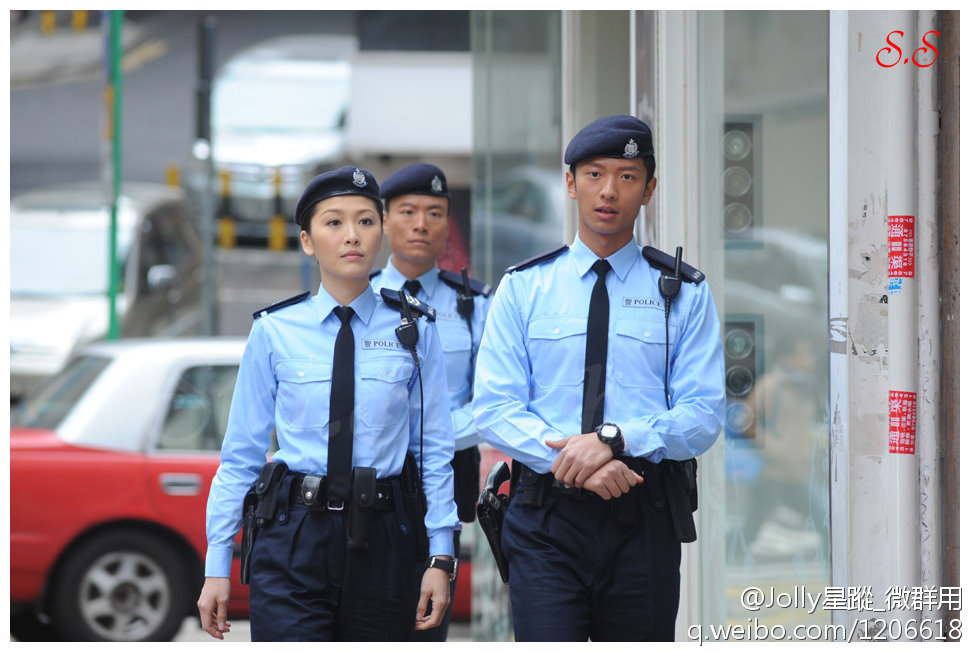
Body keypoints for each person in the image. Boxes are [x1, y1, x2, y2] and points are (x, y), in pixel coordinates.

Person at [472, 115, 726, 641]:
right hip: (544, 519)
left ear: (649, 189)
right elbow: (494, 407)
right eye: (594, 174)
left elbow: (703, 416)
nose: (609, 190)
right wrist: (574, 464)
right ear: (570, 183)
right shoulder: (523, 288)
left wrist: (615, 440)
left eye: (628, 176)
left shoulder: (682, 293)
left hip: (642, 514)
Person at [197, 166, 460, 641]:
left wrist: (441, 555)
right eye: (333, 222)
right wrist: (218, 562)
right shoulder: (274, 331)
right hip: (293, 534)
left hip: (385, 535)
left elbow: (434, 449)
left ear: (381, 234)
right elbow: (240, 456)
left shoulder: (415, 329)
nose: (351, 235)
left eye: (365, 221)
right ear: (306, 240)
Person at [369, 163, 492, 641]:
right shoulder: (359, 297)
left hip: (440, 487)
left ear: (448, 225)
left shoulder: (474, 305)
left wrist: (425, 436)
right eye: (408, 211)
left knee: (424, 628)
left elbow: (491, 403)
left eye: (435, 213)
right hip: (368, 486)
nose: (422, 223)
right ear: (384, 221)